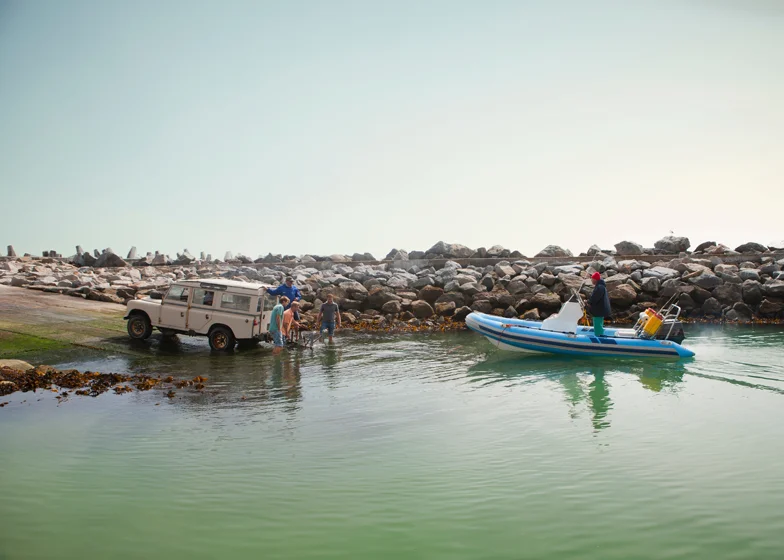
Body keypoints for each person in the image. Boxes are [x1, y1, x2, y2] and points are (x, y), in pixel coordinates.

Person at [587, 271, 612, 336]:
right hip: (601, 309)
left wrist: (589, 302)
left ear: (595, 279)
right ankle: (600, 333)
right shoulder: (601, 286)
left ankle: (598, 335)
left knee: (597, 322)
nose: (591, 280)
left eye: (592, 279)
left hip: (599, 310)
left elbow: (595, 298)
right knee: (599, 322)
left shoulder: (599, 287)